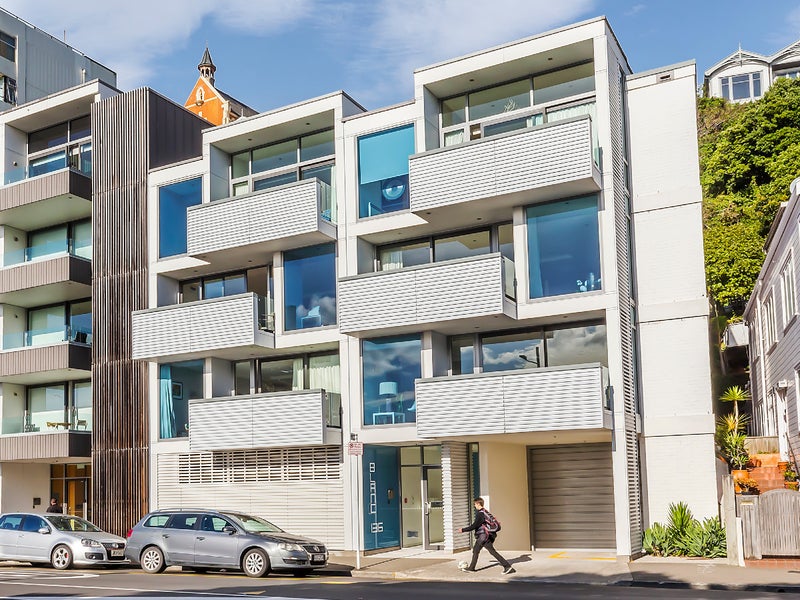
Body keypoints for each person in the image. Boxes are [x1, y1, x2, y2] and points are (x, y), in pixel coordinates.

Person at [460, 497, 515, 574]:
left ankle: (507, 566)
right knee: (476, 550)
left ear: (478, 504)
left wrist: (463, 530)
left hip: (483, 537)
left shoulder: (480, 514)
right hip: (485, 536)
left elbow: (474, 526)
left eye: (475, 504)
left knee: (491, 551)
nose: (474, 506)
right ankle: (471, 568)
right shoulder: (485, 512)